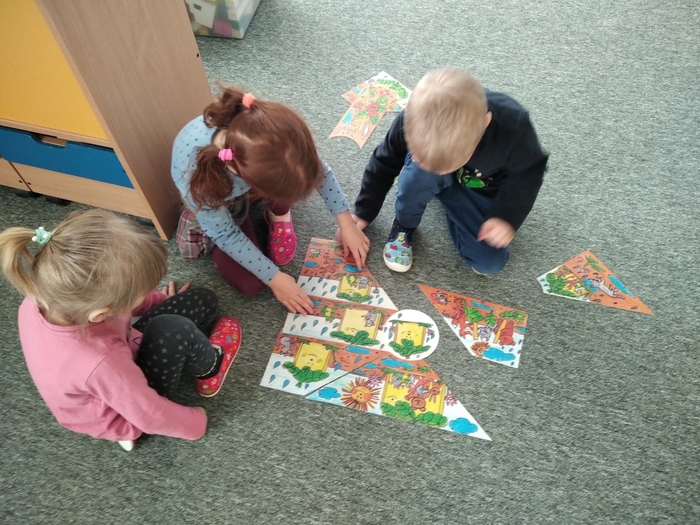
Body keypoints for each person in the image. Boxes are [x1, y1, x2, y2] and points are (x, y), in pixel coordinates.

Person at [0, 209, 242, 452]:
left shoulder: (48, 295)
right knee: (172, 328)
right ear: (103, 313)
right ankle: (211, 368)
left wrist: (159, 301)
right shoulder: (100, 362)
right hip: (125, 413)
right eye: (139, 293)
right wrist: (196, 424)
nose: (145, 294)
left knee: (204, 300)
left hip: (108, 376)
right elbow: (150, 414)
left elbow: (128, 305)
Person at [172, 86, 370, 314]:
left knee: (297, 178)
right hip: (218, 198)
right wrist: (274, 278)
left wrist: (347, 224)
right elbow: (225, 234)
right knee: (252, 285)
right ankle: (238, 212)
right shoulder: (202, 183)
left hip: (247, 180)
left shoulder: (278, 136)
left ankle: (275, 212)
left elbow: (319, 172)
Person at [351, 67, 549, 275]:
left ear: (485, 124)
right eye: (422, 158)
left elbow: (529, 173)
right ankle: (404, 224)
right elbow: (384, 161)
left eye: (445, 166)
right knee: (421, 175)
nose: (438, 171)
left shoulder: (513, 127)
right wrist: (365, 211)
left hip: (480, 191)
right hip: (427, 179)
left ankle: (454, 207)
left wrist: (506, 216)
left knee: (488, 264)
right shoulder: (413, 117)